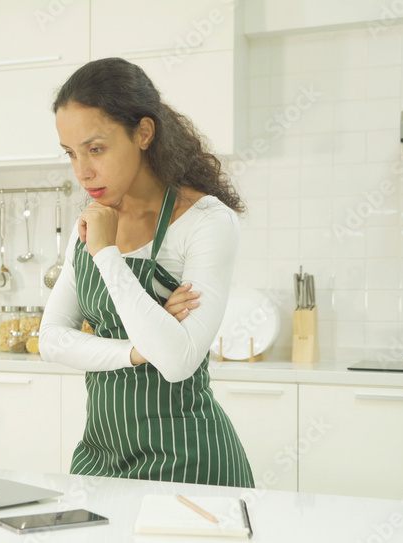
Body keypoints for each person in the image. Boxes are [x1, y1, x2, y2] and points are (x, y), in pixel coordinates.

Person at [39, 58, 254, 488]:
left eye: (95, 149)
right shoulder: (93, 219)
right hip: (101, 459)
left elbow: (176, 361)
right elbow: (50, 340)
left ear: (143, 133)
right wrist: (137, 351)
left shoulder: (205, 221)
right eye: (71, 153)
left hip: (188, 465)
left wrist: (105, 254)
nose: (82, 170)